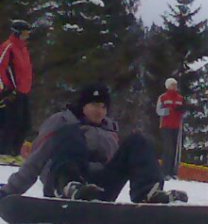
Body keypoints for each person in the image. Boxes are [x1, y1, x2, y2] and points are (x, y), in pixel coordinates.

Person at [0, 83, 188, 204]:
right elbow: (36, 158)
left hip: (97, 189)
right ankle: (69, 184)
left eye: (103, 106)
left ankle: (148, 193)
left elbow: (116, 163)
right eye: (94, 105)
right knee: (72, 133)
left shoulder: (110, 130)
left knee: (138, 141)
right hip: (61, 184)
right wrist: (9, 192)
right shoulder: (62, 122)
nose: (100, 111)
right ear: (83, 105)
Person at [0, 20, 33, 163]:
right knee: (11, 122)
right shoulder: (8, 47)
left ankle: (15, 152)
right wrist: (6, 90)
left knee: (25, 123)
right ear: (17, 33)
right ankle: (4, 152)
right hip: (12, 92)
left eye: (28, 33)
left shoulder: (23, 48)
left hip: (24, 91)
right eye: (25, 33)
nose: (27, 36)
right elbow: (1, 68)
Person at [156, 77, 185, 180]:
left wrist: (182, 110)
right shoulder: (163, 97)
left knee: (175, 150)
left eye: (175, 85)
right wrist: (169, 111)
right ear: (168, 86)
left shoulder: (180, 98)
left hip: (177, 126)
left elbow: (184, 111)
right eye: (173, 85)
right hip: (166, 126)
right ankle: (165, 171)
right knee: (168, 148)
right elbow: (158, 111)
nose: (175, 86)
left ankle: (173, 172)